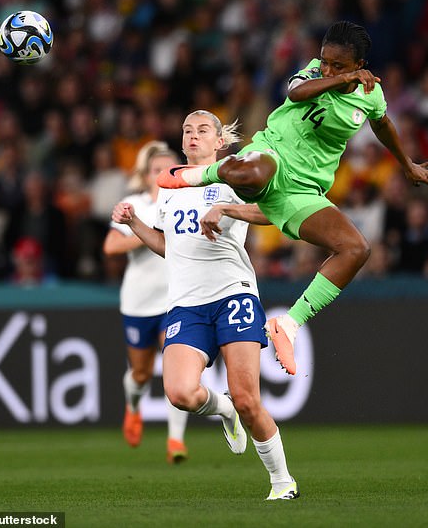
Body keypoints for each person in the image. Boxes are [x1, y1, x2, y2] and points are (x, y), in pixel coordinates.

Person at [158, 20, 428, 376]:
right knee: (253, 174)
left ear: (360, 65)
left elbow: (382, 124)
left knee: (356, 248)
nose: (327, 68)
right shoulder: (313, 71)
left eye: (338, 65)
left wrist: (406, 164)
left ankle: (288, 326)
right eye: (325, 60)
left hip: (304, 190)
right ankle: (194, 175)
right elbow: (296, 93)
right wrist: (339, 79)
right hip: (272, 153)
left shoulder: (371, 95)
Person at [112, 111, 298, 500]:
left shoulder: (235, 176)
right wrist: (134, 224)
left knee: (249, 399)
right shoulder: (170, 186)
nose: (193, 136)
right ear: (182, 141)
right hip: (186, 302)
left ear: (219, 142)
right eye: (187, 130)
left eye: (202, 130)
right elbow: (168, 247)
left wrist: (228, 209)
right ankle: (222, 409)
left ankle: (282, 481)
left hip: (234, 293)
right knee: (179, 393)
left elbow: (274, 212)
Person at [103, 141, 190, 464]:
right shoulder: (132, 204)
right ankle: (133, 407)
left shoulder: (185, 201)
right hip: (139, 301)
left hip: (175, 299)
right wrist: (142, 234)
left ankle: (175, 441)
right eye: (155, 170)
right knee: (140, 374)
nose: (160, 175)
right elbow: (111, 246)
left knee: (174, 370)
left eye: (167, 169)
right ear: (146, 174)